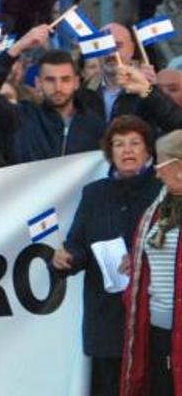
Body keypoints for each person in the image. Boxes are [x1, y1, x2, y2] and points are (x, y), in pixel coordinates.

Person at [48, 116, 159, 394]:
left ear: (148, 151)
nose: (127, 150)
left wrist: (141, 259)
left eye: (135, 143)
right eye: (119, 144)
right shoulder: (94, 194)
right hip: (106, 318)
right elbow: (78, 245)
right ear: (110, 153)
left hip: (151, 315)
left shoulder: (162, 191)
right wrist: (66, 259)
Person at [0, 24, 106, 164]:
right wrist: (18, 47)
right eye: (50, 80)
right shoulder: (21, 117)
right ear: (38, 83)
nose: (58, 87)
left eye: (65, 79)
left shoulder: (94, 126)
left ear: (76, 82)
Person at [119, 130, 182, 394]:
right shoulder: (159, 206)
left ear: (179, 166)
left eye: (161, 165)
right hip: (157, 328)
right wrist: (135, 261)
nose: (156, 173)